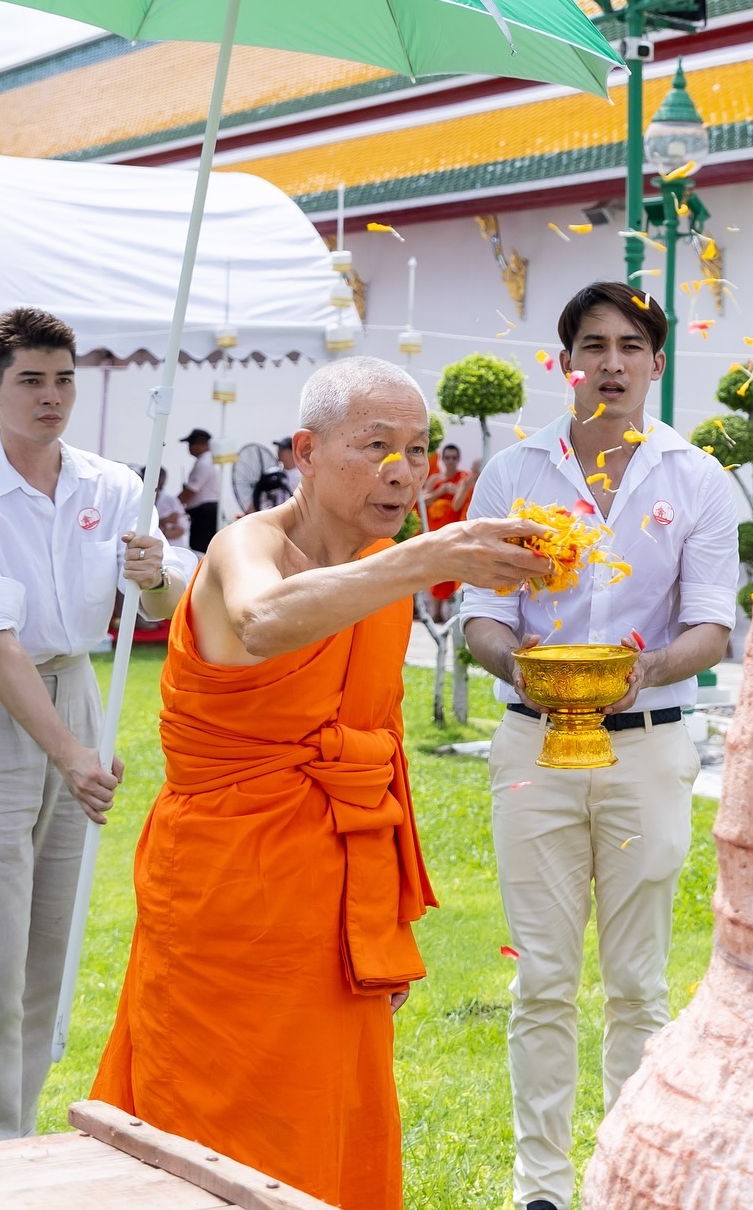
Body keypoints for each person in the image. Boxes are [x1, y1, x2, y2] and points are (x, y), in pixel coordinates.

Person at [93, 356, 549, 1207]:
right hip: (228, 896)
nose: (403, 470)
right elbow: (264, 621)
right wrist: (427, 557)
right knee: (209, 1122)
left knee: (330, 1115)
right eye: (375, 445)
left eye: (418, 449)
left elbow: (377, 748)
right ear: (304, 450)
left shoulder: (381, 573)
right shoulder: (247, 546)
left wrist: (383, 910)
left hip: (340, 894)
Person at [461, 282, 738, 1210]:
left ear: (656, 363)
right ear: (567, 362)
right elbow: (481, 619)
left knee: (636, 982)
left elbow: (711, 628)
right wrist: (521, 664)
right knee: (541, 976)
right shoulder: (513, 475)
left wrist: (647, 671)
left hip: (649, 746)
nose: (611, 363)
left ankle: (630, 1176)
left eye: (630, 346)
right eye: (593, 345)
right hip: (534, 743)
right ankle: (539, 1185)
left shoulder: (697, 477)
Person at [0, 306, 181, 1147]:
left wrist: (152, 580)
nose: (51, 397)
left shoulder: (114, 486)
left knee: (49, 951)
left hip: (75, 689)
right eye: (31, 380)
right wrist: (72, 756)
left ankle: (17, 1136)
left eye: (64, 378)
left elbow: (166, 599)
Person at [423, 441, 470, 610]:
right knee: (435, 573)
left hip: (453, 533)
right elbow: (422, 501)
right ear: (442, 459)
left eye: (454, 458)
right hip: (434, 532)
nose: (450, 461)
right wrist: (440, 491)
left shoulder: (463, 478)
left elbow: (461, 503)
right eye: (447, 458)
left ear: (458, 459)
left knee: (449, 573)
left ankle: (447, 611)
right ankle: (435, 611)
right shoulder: (436, 479)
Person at [177, 427, 219, 552]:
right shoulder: (208, 460)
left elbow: (190, 491)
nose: (189, 447)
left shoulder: (204, 463)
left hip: (204, 513)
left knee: (200, 549)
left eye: (191, 443)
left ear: (203, 444)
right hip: (204, 512)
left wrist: (172, 506)